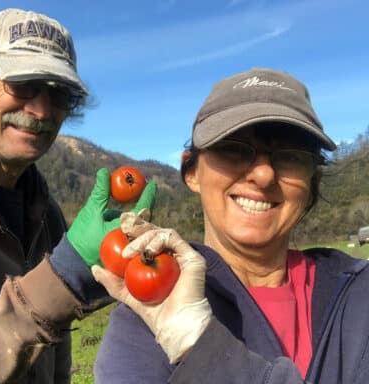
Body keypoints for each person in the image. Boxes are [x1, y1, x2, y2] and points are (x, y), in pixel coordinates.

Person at [88, 68, 369, 383]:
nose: (263, 176)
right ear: (191, 171)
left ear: (311, 181)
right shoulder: (150, 316)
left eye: (290, 156)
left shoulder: (359, 294)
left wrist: (201, 350)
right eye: (234, 149)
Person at [0, 8, 157, 384]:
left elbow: (56, 354)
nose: (41, 109)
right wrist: (63, 278)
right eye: (23, 83)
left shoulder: (46, 215)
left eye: (58, 94)